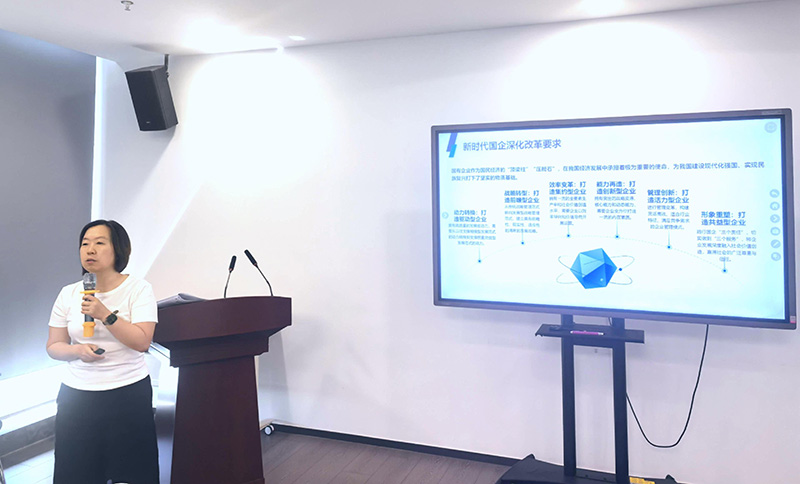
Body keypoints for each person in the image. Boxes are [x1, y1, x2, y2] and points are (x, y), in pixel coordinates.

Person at [46, 220, 159, 484]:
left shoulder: (138, 289)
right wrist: (77, 350)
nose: (90, 250)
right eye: (85, 244)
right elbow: (53, 346)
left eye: (99, 243)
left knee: (133, 473)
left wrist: (104, 314)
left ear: (118, 249)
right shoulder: (68, 293)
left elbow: (142, 341)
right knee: (75, 474)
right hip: (77, 397)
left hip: (127, 393)